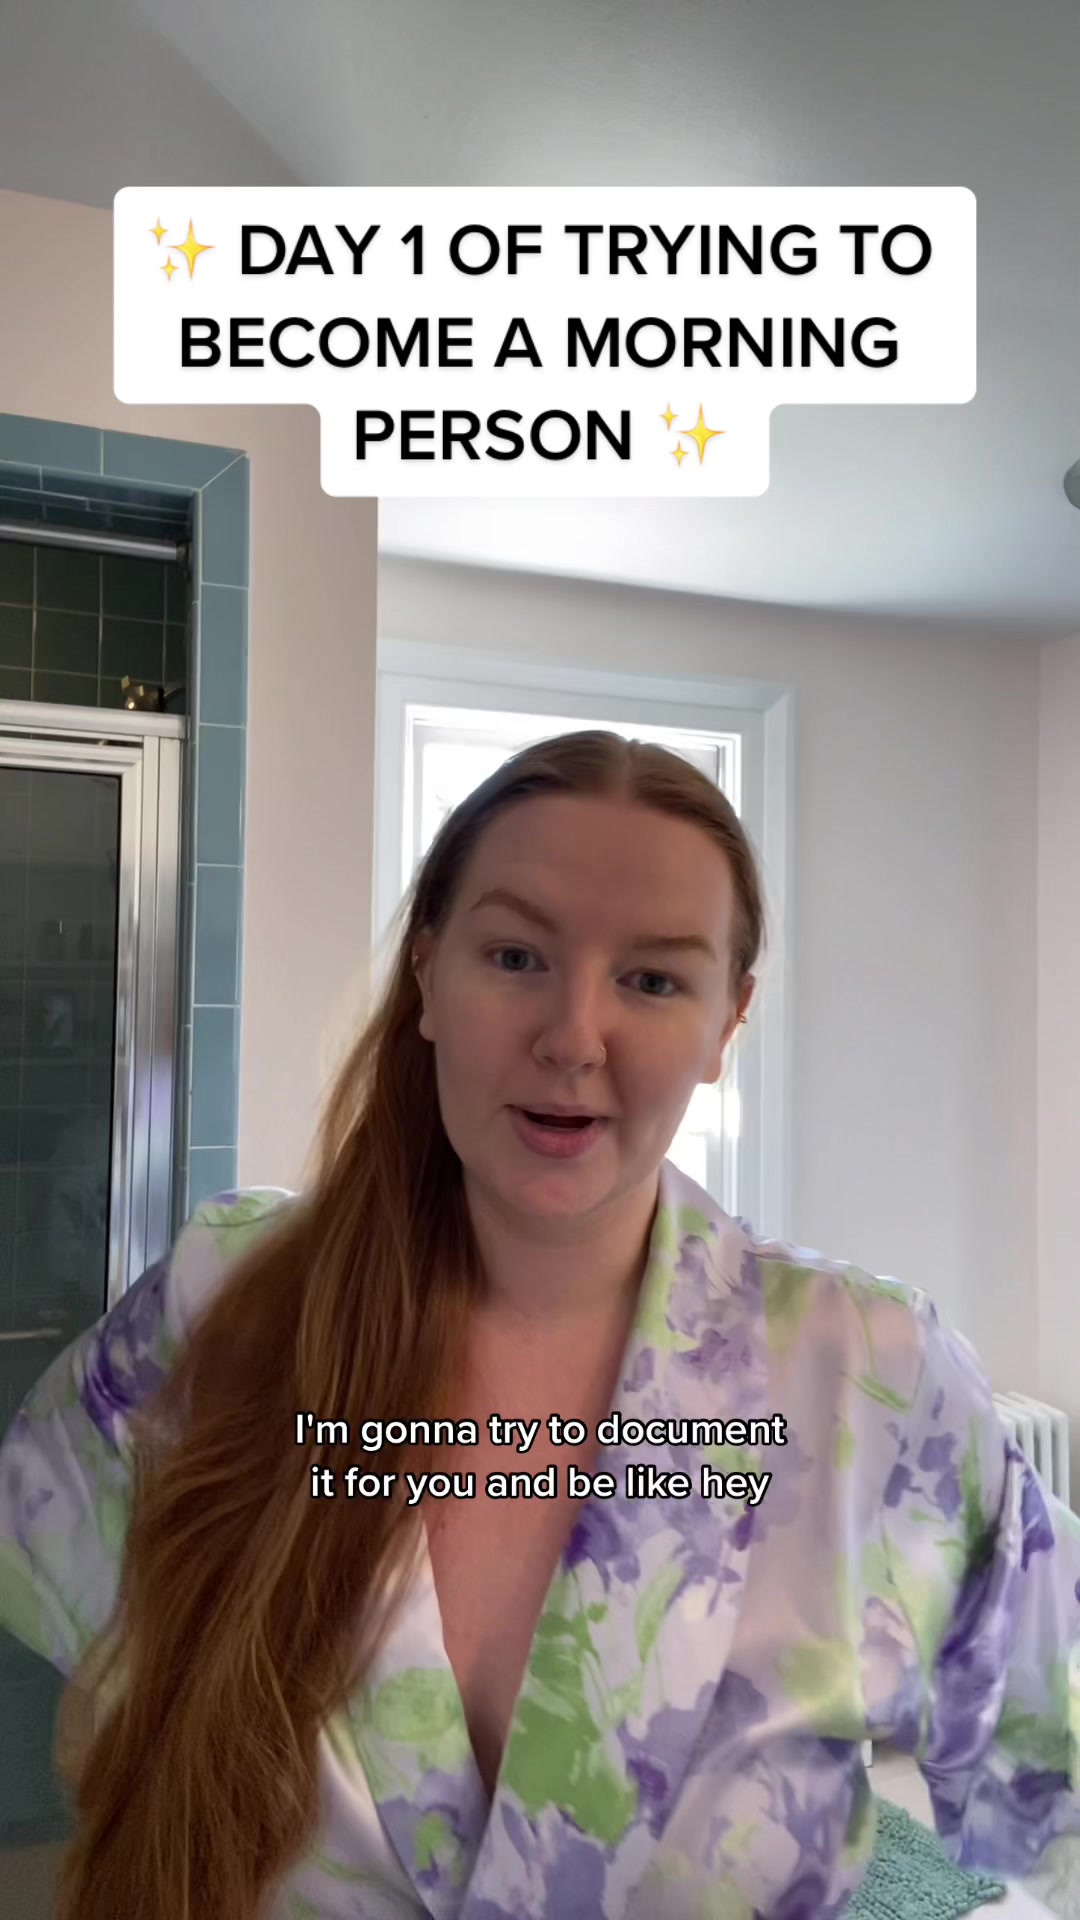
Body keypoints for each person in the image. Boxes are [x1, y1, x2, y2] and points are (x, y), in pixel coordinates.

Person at [1, 727, 1079, 1920]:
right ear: (427, 974)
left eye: (653, 980)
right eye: (516, 956)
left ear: (726, 1026)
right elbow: (75, 1655)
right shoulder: (224, 1301)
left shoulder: (875, 1384)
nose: (572, 1037)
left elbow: (1055, 1769)